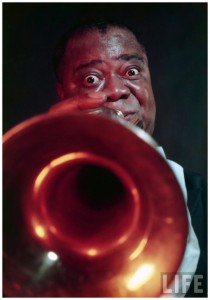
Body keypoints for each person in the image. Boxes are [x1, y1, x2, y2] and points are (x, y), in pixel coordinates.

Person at [50, 20, 207, 297]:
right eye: (91, 79)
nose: (116, 90)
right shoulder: (24, 206)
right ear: (63, 94)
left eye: (132, 71)